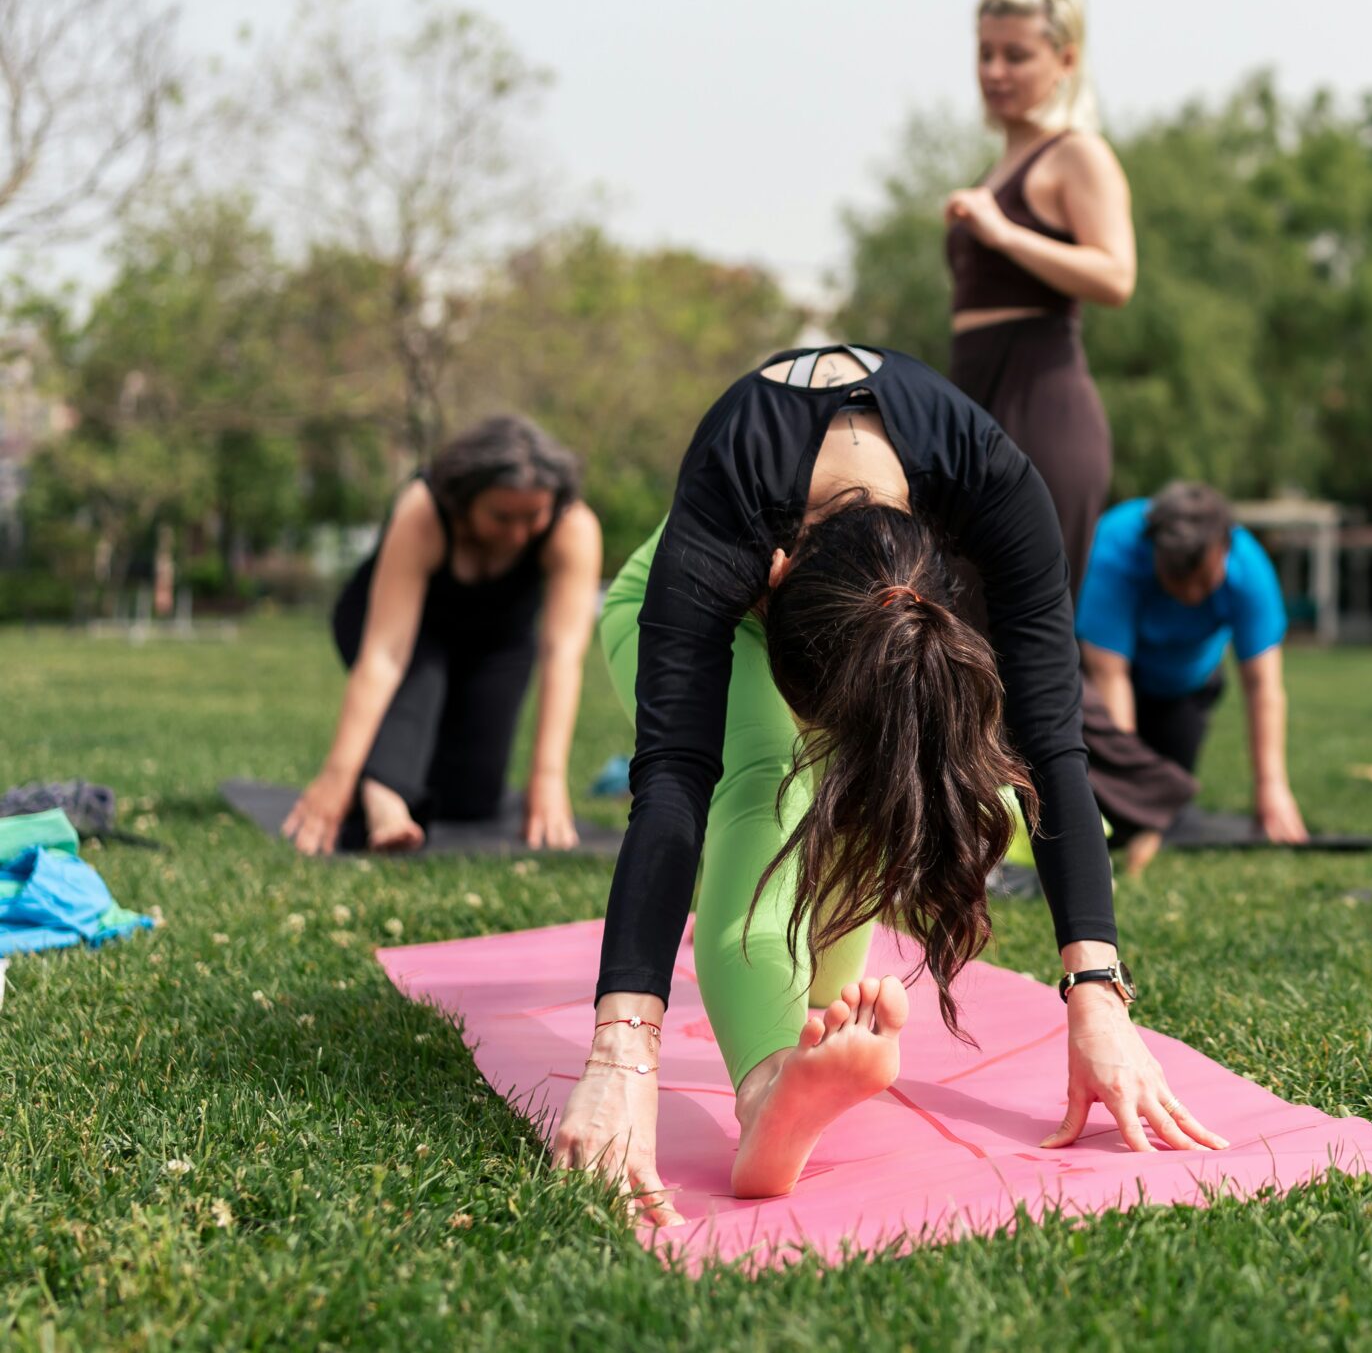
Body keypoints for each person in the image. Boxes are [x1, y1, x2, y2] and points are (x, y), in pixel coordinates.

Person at [548, 345, 1221, 1224]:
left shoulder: (997, 489)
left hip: (874, 631)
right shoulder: (730, 500)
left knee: (871, 780)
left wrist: (1096, 994)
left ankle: (811, 1029)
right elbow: (672, 779)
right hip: (679, 605)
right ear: (777, 573)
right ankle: (765, 1088)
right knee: (761, 777)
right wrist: (621, 1056)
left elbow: (1055, 745)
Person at [284, 416, 600, 855]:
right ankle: (382, 796)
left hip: (497, 642)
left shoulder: (573, 527)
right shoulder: (424, 510)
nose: (517, 533)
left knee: (469, 802)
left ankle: (394, 772)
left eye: (532, 517)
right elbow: (384, 656)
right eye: (501, 516)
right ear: (465, 500)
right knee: (418, 683)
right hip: (399, 629)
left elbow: (563, 655)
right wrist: (336, 776)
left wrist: (547, 778)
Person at [945, 0, 1134, 596]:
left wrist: (1005, 236)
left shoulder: (1078, 153)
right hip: (975, 400)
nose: (995, 71)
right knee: (956, 638)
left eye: (1017, 55)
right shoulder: (999, 165)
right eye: (985, 53)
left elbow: (1116, 275)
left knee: (1025, 635)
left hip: (1044, 406)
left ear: (1066, 59)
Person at [1077, 483, 1307, 870]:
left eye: (1203, 580)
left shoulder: (1249, 570)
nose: (1192, 594)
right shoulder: (1113, 553)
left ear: (1224, 551)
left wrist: (1272, 787)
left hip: (1185, 688)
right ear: (1155, 555)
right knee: (1110, 805)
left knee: (1167, 804)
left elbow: (1263, 686)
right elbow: (1110, 676)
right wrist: (1132, 792)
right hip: (1107, 685)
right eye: (1178, 581)